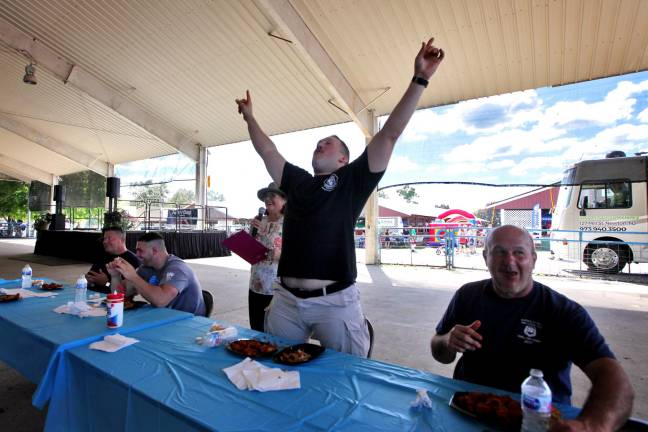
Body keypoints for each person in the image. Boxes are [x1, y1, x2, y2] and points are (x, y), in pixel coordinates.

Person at [235, 38, 444, 356]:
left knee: (349, 375)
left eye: (328, 143)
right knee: (275, 367)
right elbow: (267, 149)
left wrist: (421, 78)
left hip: (335, 300)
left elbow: (389, 134)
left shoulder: (352, 180)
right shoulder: (298, 182)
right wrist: (250, 118)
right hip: (286, 299)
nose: (320, 144)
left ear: (343, 159)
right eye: (318, 143)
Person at [430, 225, 634, 431]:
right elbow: (440, 353)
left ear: (533, 259)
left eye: (519, 253)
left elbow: (615, 380)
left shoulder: (562, 311)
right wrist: (448, 340)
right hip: (469, 410)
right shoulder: (468, 295)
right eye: (499, 252)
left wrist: (590, 426)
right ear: (485, 257)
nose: (509, 262)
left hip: (538, 420)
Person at [107, 232, 206, 316]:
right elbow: (121, 294)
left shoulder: (177, 269)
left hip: (188, 322)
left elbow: (161, 301)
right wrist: (115, 276)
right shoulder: (145, 268)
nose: (137, 255)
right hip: (163, 317)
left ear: (154, 251)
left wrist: (133, 276)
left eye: (140, 251)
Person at [248, 182, 286, 331]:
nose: (268, 199)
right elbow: (251, 248)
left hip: (276, 288)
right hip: (255, 284)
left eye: (272, 195)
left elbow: (300, 254)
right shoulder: (259, 221)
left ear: (284, 200)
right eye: (266, 196)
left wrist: (279, 255)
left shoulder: (290, 223)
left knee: (273, 330)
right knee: (256, 328)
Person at [86, 226, 140, 294]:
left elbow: (128, 291)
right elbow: (91, 277)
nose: (104, 242)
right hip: (90, 295)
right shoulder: (102, 256)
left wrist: (106, 283)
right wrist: (89, 282)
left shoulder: (133, 260)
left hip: (115, 300)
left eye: (109, 238)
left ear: (121, 240)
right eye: (104, 239)